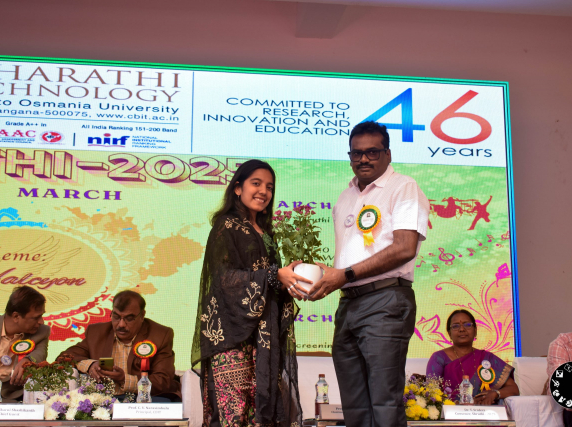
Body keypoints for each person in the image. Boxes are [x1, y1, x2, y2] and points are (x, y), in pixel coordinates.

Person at [308, 121, 430, 427]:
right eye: (356, 153)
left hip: (385, 300)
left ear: (388, 154)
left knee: (384, 402)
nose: (363, 159)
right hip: (348, 304)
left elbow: (404, 248)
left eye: (372, 152)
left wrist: (345, 274)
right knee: (355, 407)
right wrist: (319, 275)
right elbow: (350, 256)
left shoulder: (403, 187)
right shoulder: (345, 196)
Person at [191, 159, 309, 427]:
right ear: (237, 188)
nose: (263, 191)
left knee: (261, 414)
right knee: (234, 415)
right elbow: (223, 279)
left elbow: (270, 282)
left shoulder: (266, 234)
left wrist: (288, 280)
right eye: (256, 183)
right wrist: (273, 276)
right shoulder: (227, 225)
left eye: (269, 187)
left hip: (262, 339)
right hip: (232, 339)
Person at [62, 290, 181, 402]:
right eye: (116, 317)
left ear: (142, 315)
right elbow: (65, 357)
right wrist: (90, 365)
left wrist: (125, 379)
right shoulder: (96, 332)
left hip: (142, 400)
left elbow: (163, 381)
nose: (121, 324)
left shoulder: (160, 335)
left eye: (129, 318)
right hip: (104, 401)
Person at [426, 309, 519, 404]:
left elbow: (513, 388)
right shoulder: (438, 358)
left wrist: (495, 394)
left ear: (475, 331)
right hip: (451, 410)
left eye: (467, 325)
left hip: (485, 409)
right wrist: (462, 403)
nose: (462, 329)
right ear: (449, 334)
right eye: (455, 326)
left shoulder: (486, 358)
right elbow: (431, 394)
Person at [0, 286, 50, 402]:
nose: (41, 321)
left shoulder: (42, 331)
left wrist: (28, 360)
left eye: (42, 315)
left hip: (14, 397)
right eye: (36, 318)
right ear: (16, 316)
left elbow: (41, 352)